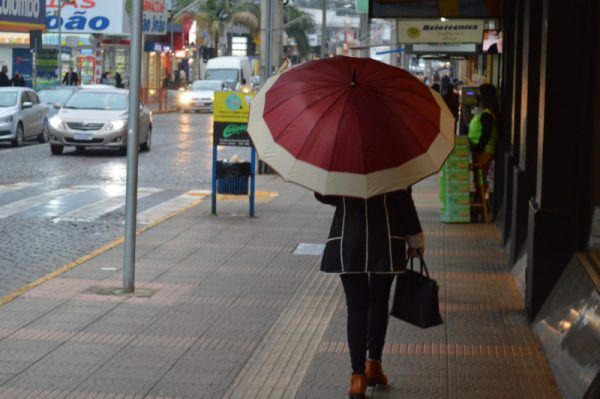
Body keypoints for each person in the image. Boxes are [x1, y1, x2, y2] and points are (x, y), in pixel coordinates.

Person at [315, 190, 424, 399]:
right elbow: (404, 201)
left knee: (356, 307)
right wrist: (416, 240)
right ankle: (374, 364)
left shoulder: (341, 162)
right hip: (386, 240)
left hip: (348, 239)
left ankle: (358, 378)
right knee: (379, 301)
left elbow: (325, 195)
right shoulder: (394, 161)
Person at [468, 83, 499, 188]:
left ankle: (481, 201)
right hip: (481, 150)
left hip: (483, 151)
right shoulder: (485, 113)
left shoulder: (486, 115)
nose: (477, 95)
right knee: (479, 179)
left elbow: (486, 134)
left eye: (479, 93)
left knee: (480, 180)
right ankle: (480, 200)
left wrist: (478, 149)